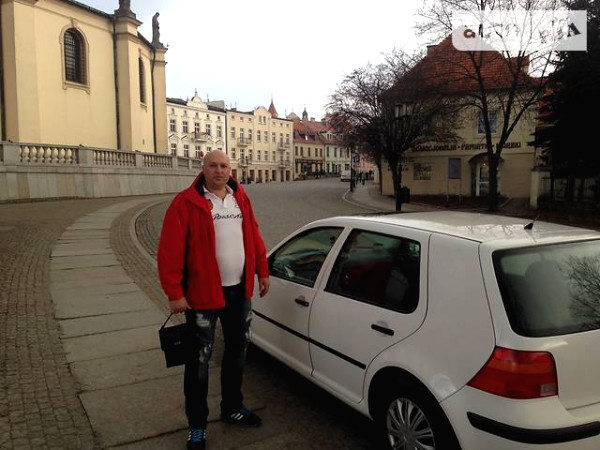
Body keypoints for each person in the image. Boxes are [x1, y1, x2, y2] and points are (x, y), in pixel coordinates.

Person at [157, 150, 270, 450]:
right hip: (202, 295)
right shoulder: (185, 202)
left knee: (237, 353)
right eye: (213, 166)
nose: (219, 171)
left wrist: (262, 270)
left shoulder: (240, 198)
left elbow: (254, 234)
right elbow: (169, 250)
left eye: (224, 166)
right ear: (203, 168)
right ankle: (197, 425)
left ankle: (232, 407)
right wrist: (175, 293)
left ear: (230, 170)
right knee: (199, 362)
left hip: (239, 292)